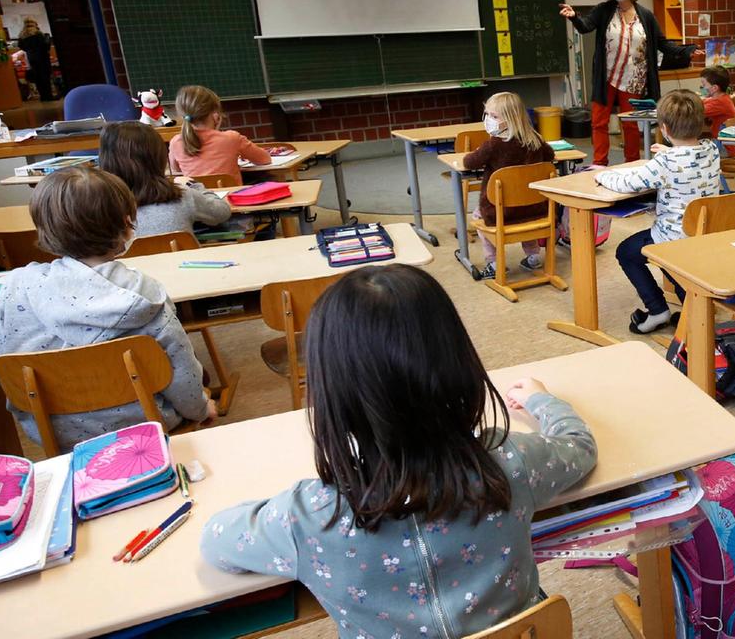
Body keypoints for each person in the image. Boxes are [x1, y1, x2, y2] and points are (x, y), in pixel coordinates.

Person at [200, 264, 596, 638]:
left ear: (330, 391)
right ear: (459, 363)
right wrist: (542, 401)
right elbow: (579, 447)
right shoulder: (510, 461)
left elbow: (216, 543)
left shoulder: (307, 517)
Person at [0, 167, 215, 452]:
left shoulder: (17, 288)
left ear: (45, 228)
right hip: (148, 426)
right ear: (126, 224)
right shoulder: (147, 298)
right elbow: (182, 378)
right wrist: (201, 408)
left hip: (57, 432)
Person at [595, 90, 720, 334]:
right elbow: (689, 159)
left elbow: (626, 184)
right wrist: (670, 151)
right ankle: (692, 308)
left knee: (627, 252)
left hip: (674, 239)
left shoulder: (665, 163)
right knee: (669, 257)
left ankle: (657, 310)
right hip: (705, 235)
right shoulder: (712, 150)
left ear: (663, 128)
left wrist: (601, 172)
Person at [559, 0, 702, 166]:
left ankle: (632, 163)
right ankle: (600, 162)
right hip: (606, 77)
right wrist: (574, 17)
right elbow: (585, 26)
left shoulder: (646, 16)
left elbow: (662, 43)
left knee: (631, 125)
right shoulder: (603, 10)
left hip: (633, 78)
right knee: (599, 122)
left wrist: (686, 50)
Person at [463, 91, 556, 278]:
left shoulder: (493, 145)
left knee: (477, 216)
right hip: (536, 208)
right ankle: (532, 257)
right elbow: (551, 157)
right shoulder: (535, 140)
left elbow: (469, 163)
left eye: (494, 116)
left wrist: (479, 150)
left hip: (500, 212)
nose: (488, 119)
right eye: (487, 114)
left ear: (510, 119)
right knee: (526, 216)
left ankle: (494, 262)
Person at [99, 121, 232, 237]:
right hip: (184, 264)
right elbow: (222, 212)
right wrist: (194, 185)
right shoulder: (183, 196)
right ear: (158, 158)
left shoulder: (101, 209)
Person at [168, 85, 271, 181]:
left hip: (197, 198)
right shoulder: (231, 138)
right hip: (230, 198)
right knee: (267, 177)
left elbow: (176, 170)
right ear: (215, 114)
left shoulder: (176, 142)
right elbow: (265, 159)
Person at [700, 65, 735, 192]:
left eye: (704, 84)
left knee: (690, 148)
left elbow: (696, 111)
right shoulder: (723, 99)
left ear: (714, 88)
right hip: (727, 144)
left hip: (723, 147)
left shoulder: (719, 103)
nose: (702, 87)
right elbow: (706, 102)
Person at [16, 18, 53, 101]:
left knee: (38, 78)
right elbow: (45, 46)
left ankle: (42, 96)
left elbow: (21, 46)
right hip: (42, 57)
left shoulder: (22, 35)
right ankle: (48, 96)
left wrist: (30, 51)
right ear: (35, 24)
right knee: (45, 76)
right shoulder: (38, 33)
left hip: (31, 58)